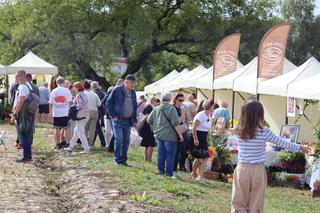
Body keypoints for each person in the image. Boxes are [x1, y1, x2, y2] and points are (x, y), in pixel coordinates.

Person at [231, 100, 309, 212]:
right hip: (258, 170)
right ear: (260, 114)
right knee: (256, 203)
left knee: (239, 202)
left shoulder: (238, 129)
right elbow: (282, 142)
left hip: (242, 169)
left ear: (244, 113)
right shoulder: (264, 131)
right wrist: (300, 147)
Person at [147, 92, 183, 178]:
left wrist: (154, 127)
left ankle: (161, 172)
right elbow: (176, 123)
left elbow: (149, 120)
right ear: (170, 99)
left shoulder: (157, 108)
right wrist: (180, 135)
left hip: (158, 134)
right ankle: (169, 174)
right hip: (170, 135)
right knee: (170, 155)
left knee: (161, 154)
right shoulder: (171, 108)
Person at [107, 75, 138, 166]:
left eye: (134, 83)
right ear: (126, 82)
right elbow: (108, 103)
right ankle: (117, 159)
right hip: (118, 120)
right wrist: (113, 116)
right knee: (119, 139)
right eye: (131, 83)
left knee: (126, 141)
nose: (133, 85)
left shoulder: (133, 92)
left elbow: (134, 106)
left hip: (128, 121)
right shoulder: (117, 90)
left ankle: (123, 160)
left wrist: (134, 119)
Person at [10, 70, 35, 163]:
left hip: (22, 115)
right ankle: (28, 156)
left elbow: (21, 101)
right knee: (26, 135)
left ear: (23, 76)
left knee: (23, 135)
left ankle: (27, 157)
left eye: (17, 76)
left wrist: (15, 114)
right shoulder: (27, 85)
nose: (16, 78)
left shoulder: (23, 87)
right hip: (26, 114)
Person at [191, 99, 215, 180]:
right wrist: (195, 139)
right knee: (203, 157)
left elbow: (207, 129)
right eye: (213, 106)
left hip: (204, 137)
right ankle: (198, 175)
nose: (214, 107)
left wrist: (207, 140)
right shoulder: (200, 115)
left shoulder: (208, 115)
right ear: (210, 106)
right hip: (198, 136)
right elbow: (194, 128)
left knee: (202, 157)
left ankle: (195, 174)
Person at [64, 82, 90, 153]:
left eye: (74, 87)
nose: (73, 88)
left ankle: (86, 149)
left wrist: (74, 107)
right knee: (76, 133)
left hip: (80, 116)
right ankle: (70, 147)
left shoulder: (79, 95)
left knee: (81, 133)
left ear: (77, 87)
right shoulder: (84, 93)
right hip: (85, 115)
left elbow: (80, 105)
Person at [49, 77, 73, 149]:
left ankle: (58, 143)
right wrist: (70, 111)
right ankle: (68, 142)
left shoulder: (53, 91)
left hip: (56, 112)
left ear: (56, 83)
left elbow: (50, 102)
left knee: (57, 128)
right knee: (67, 128)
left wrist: (50, 111)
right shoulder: (67, 91)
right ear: (63, 83)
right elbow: (69, 102)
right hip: (65, 112)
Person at [172, 93, 189, 172]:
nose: (181, 102)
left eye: (183, 100)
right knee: (177, 150)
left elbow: (185, 119)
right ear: (175, 100)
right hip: (177, 130)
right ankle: (174, 168)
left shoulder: (183, 107)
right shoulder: (173, 108)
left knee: (184, 150)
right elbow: (177, 121)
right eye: (180, 100)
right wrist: (182, 114)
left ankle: (182, 166)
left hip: (184, 130)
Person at [139, 97, 159, 162]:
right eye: (156, 100)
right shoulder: (149, 107)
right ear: (152, 101)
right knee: (150, 145)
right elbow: (148, 118)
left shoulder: (148, 106)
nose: (157, 102)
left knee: (148, 145)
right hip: (148, 129)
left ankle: (146, 160)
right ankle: (148, 160)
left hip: (146, 128)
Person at [83, 80, 102, 147]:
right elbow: (99, 104)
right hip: (94, 112)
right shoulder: (95, 94)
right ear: (90, 87)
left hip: (86, 112)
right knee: (92, 129)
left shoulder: (83, 94)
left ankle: (84, 144)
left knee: (85, 128)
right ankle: (90, 144)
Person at [91, 81, 107, 148]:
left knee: (97, 127)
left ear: (92, 87)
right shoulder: (102, 92)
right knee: (96, 127)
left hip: (97, 111)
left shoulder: (94, 93)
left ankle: (103, 143)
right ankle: (92, 142)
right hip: (101, 111)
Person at [102, 86, 115, 153]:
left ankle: (110, 145)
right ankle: (108, 145)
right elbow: (103, 103)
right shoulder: (107, 95)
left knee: (110, 132)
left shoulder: (114, 95)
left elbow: (103, 103)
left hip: (112, 116)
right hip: (108, 116)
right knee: (108, 132)